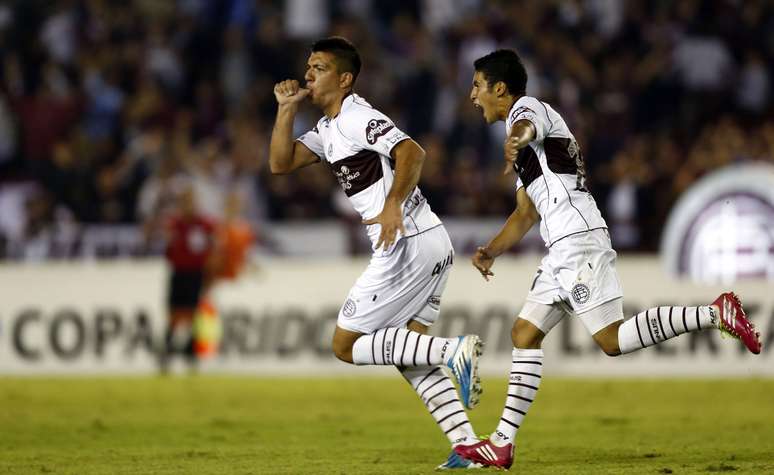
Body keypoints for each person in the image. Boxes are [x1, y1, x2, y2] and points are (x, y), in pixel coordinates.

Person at [453, 49, 763, 469]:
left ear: (500, 88)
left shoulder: (525, 111)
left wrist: (516, 139)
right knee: (524, 333)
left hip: (578, 241)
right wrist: (491, 249)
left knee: (611, 341)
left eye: (477, 86)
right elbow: (525, 213)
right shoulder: (529, 157)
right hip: (560, 246)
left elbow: (527, 126)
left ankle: (715, 313)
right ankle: (503, 443)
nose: (473, 96)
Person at [268, 37, 483, 469]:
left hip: (405, 244)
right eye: (308, 65)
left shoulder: (356, 117)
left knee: (346, 345)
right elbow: (280, 163)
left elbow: (411, 151)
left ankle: (452, 351)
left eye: (320, 67)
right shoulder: (328, 130)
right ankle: (469, 447)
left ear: (344, 79)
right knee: (407, 355)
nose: (309, 72)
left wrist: (391, 205)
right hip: (430, 242)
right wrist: (286, 109)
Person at [160, 185, 217, 373]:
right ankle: (166, 354)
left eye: (191, 200)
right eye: (185, 201)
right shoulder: (175, 224)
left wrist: (210, 275)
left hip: (195, 274)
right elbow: (168, 251)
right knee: (174, 315)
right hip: (178, 273)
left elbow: (213, 249)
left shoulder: (204, 224)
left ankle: (191, 355)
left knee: (193, 317)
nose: (189, 205)